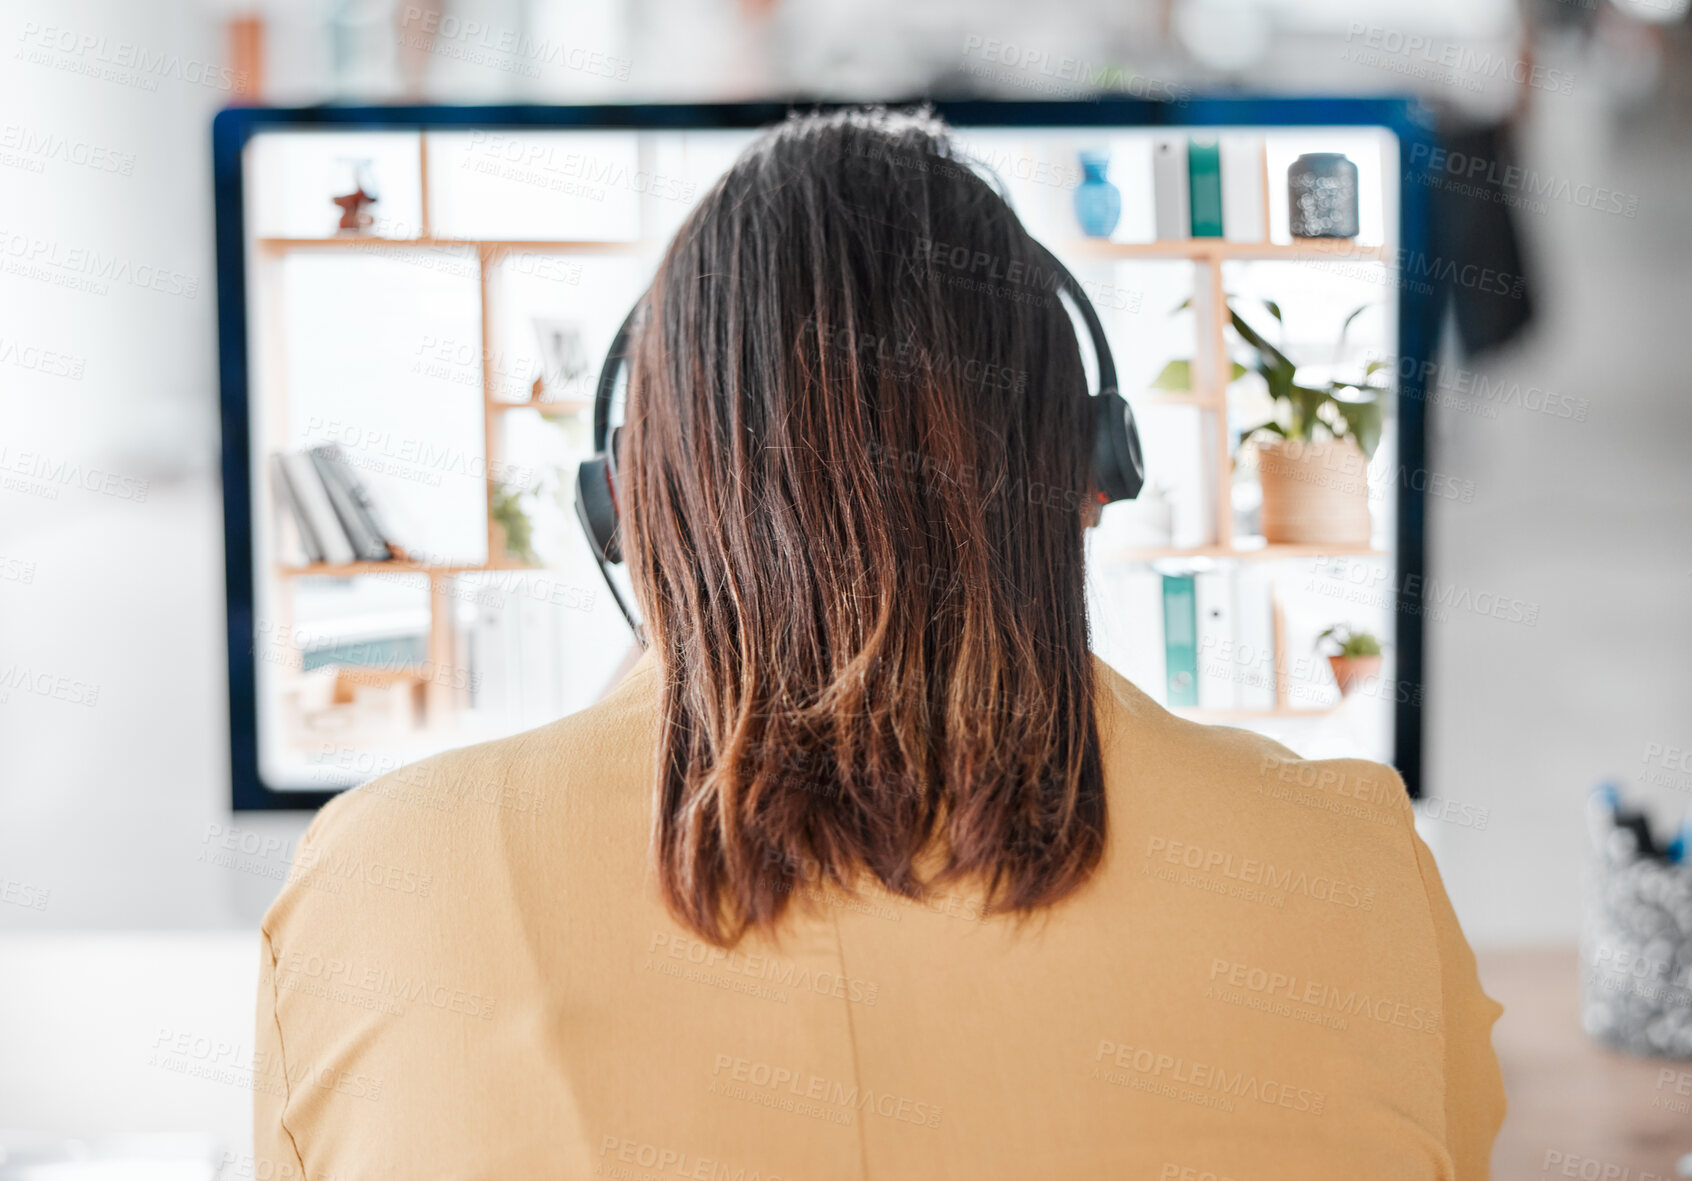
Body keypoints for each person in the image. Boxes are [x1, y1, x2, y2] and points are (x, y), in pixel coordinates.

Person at [256, 108, 1504, 1179]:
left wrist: (684, 659)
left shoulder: (383, 883)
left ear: (624, 507)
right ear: (1090, 472)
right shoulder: (1351, 875)